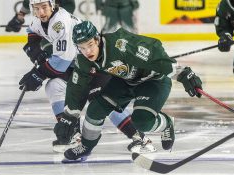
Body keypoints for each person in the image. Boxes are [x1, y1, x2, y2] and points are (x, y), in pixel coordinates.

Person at [18, 0, 156, 153]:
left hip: (94, 65)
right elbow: (33, 29)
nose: (41, 12)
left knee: (101, 100)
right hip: (76, 66)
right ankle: (73, 135)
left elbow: (61, 63)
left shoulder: (60, 23)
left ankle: (140, 138)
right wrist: (33, 46)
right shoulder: (39, 19)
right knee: (54, 86)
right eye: (36, 8)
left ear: (52, 5)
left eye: (44, 7)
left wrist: (37, 75)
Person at [56, 21, 203, 161]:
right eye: (82, 47)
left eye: (90, 44)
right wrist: (68, 117)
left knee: (142, 121)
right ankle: (85, 147)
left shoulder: (120, 44)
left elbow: (153, 49)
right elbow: (76, 87)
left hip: (153, 81)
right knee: (95, 109)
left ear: (97, 39)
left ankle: (167, 123)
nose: (87, 51)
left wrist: (182, 73)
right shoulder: (83, 60)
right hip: (125, 82)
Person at [6, 0, 76, 33]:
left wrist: (58, 20)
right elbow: (28, 3)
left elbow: (69, 6)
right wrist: (18, 19)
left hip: (60, 23)